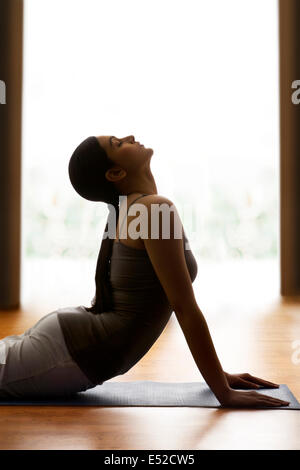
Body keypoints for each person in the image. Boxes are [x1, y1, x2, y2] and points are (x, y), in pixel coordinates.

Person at [0, 135, 289, 408]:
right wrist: (222, 392)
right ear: (114, 174)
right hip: (67, 350)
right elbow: (184, 308)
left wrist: (219, 377)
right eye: (117, 143)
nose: (129, 136)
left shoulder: (141, 209)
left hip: (69, 345)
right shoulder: (152, 210)